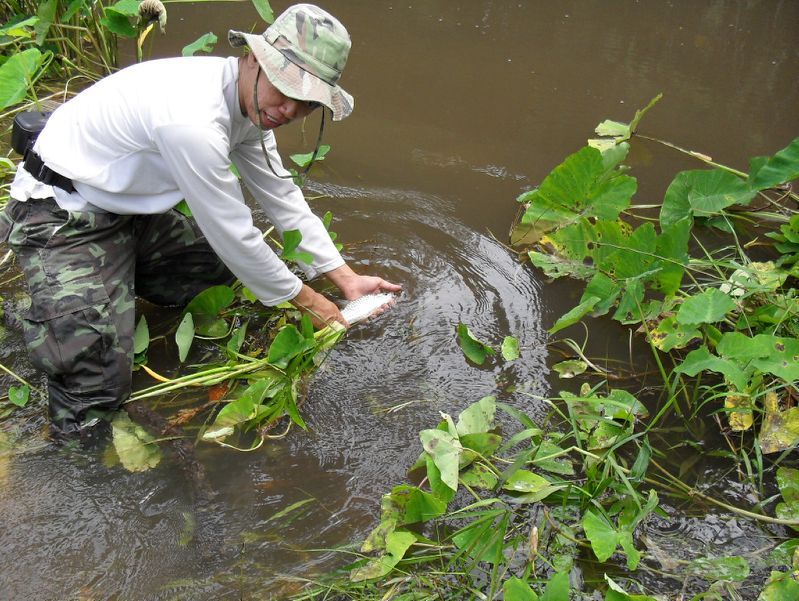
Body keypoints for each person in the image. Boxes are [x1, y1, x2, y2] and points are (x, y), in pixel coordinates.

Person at [0, 3, 401, 437]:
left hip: (128, 210)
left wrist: (344, 278)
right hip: (61, 214)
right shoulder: (193, 119)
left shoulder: (249, 105)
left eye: (305, 104)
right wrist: (311, 301)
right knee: (94, 385)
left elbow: (282, 196)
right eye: (284, 90)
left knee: (218, 279)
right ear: (254, 58)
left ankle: (104, 293)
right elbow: (234, 234)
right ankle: (72, 446)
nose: (288, 110)